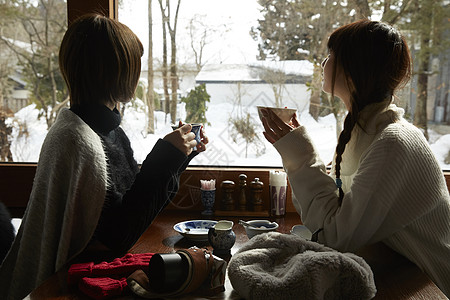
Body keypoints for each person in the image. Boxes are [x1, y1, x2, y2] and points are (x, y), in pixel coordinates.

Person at [0, 13, 208, 300]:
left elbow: (135, 206)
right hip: (72, 285)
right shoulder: (78, 138)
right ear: (114, 71)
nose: (137, 74)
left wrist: (179, 155)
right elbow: (117, 235)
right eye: (134, 65)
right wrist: (166, 158)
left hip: (91, 272)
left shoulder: (102, 129)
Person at [261, 19, 450, 296]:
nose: (324, 64)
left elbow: (335, 237)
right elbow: (327, 221)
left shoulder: (394, 142)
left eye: (331, 57)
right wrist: (295, 153)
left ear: (352, 74)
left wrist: (300, 156)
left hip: (431, 286)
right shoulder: (362, 134)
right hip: (398, 273)